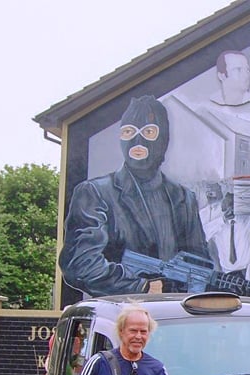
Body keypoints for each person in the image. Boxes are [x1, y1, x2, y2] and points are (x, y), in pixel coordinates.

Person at [59, 95, 211, 297]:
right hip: (120, 318)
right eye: (129, 131)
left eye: (149, 132)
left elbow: (199, 264)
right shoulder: (95, 192)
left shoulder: (183, 198)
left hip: (173, 317)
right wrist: (140, 287)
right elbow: (80, 264)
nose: (137, 141)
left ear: (163, 138)